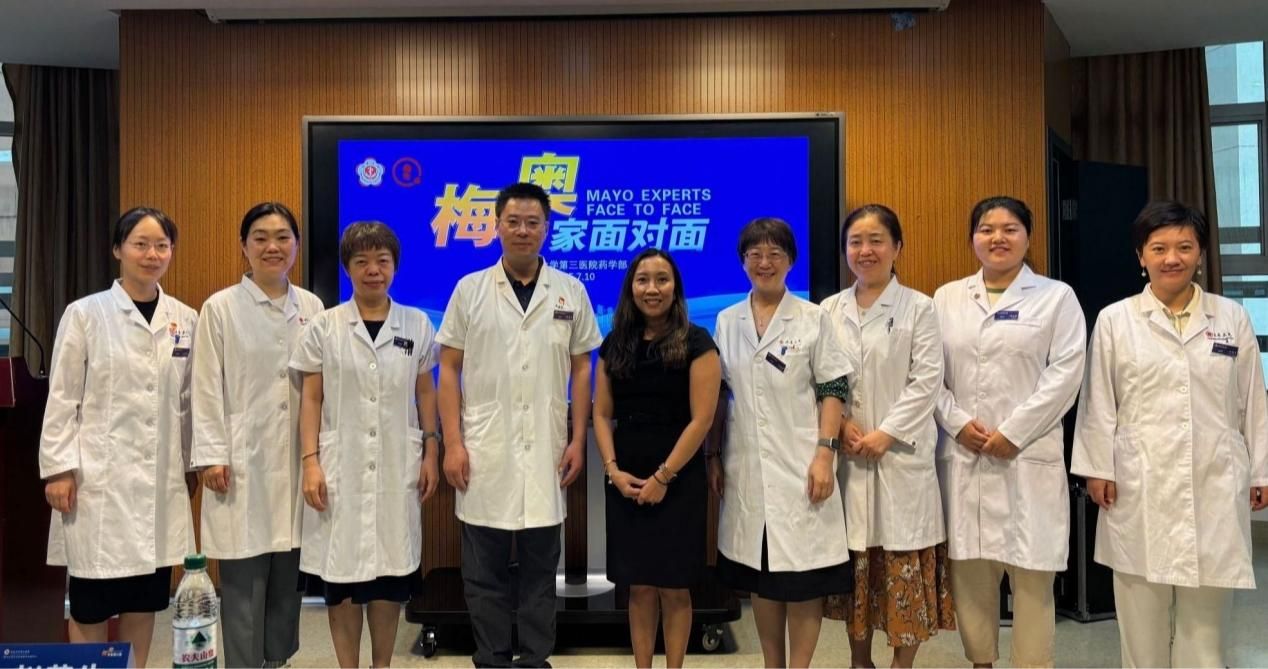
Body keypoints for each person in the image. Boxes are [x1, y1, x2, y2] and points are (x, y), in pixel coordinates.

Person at [1071, 200, 1268, 668]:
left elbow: (1253, 401)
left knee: (1205, 634)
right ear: (1141, 255)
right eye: (1158, 248)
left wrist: (1261, 470)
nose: (1171, 258)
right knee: (1142, 627)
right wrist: (1097, 469)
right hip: (1139, 485)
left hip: (1213, 479)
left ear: (1200, 254)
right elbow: (1098, 401)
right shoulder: (1116, 319)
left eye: (1184, 246)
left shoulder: (1230, 318)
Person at [437, 182, 602, 669]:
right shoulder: (470, 289)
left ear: (547, 228)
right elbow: (448, 368)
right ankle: (490, 661)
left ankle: (534, 661)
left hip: (548, 451)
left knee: (538, 573)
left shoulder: (570, 290)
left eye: (533, 223)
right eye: (513, 222)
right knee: (483, 573)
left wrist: (578, 439)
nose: (523, 231)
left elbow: (582, 369)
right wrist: (452, 443)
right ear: (497, 226)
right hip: (483, 450)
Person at [40, 206, 197, 667]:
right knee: (91, 600)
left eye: (162, 245)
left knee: (143, 600)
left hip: (158, 483)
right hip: (97, 484)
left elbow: (189, 402)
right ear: (117, 250)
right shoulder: (86, 314)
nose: (152, 254)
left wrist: (191, 463)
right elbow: (63, 397)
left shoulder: (184, 318)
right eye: (140, 244)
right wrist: (59, 470)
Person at [933, 196, 1086, 669]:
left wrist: (1014, 432)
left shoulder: (1056, 297)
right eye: (986, 229)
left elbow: (1065, 374)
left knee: (1033, 581)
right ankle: (981, 662)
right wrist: (957, 424)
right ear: (972, 239)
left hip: (1027, 458)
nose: (997, 237)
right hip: (965, 456)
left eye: (1010, 229)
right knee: (970, 578)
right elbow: (927, 375)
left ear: (1028, 237)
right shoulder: (946, 298)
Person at [289, 221, 440, 669]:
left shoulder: (416, 323)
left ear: (395, 266)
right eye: (362, 261)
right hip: (341, 467)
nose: (373, 270)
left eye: (382, 261)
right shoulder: (325, 326)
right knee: (342, 583)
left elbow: (425, 391)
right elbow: (311, 398)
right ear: (348, 268)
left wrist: (431, 449)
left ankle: (382, 666)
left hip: (397, 464)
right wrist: (311, 462)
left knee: (389, 581)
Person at [709, 216, 853, 669]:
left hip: (802, 464)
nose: (764, 262)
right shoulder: (727, 320)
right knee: (763, 577)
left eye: (775, 253)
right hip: (747, 466)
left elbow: (833, 388)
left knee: (804, 580)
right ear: (743, 261)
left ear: (790, 260)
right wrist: (714, 455)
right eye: (755, 254)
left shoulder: (813, 318)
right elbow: (720, 394)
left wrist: (825, 453)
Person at [191, 202, 324, 669]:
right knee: (244, 580)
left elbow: (320, 388)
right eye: (261, 238)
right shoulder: (220, 308)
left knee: (287, 579)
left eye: (283, 237)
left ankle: (277, 661)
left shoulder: (311, 307)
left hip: (297, 460)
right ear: (243, 247)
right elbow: (205, 386)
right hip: (240, 463)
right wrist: (211, 455)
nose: (273, 247)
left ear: (297, 246)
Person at [820, 204, 953, 668]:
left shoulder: (920, 307)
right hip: (850, 457)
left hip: (901, 459)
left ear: (897, 247)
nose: (866, 250)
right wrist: (840, 423)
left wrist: (886, 434)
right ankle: (860, 661)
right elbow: (821, 378)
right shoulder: (828, 310)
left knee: (903, 567)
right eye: (855, 241)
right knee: (859, 571)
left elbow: (927, 380)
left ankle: (902, 664)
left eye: (876, 240)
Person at [593, 248, 721, 669]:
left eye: (662, 279)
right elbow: (601, 413)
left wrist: (664, 477)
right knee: (639, 586)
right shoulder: (615, 342)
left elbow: (702, 419)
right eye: (643, 279)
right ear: (631, 287)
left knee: (674, 586)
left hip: (679, 475)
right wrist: (612, 471)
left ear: (675, 288)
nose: (652, 288)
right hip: (626, 476)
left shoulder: (697, 342)